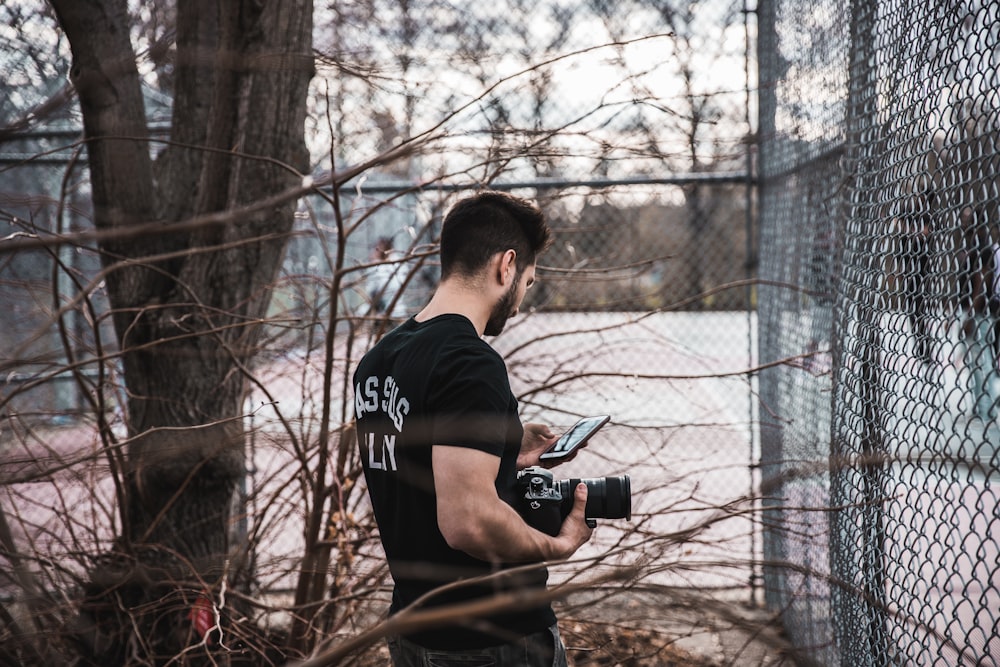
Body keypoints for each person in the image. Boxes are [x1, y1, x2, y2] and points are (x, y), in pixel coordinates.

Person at [352, 191, 593, 666]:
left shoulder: (380, 360)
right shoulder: (469, 361)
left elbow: (420, 459)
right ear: (506, 266)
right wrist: (556, 545)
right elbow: (469, 522)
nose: (521, 301)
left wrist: (504, 444)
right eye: (527, 280)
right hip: (490, 640)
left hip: (415, 630)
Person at [366, 236, 407, 319]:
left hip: (384, 312)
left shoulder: (377, 267)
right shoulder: (400, 263)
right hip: (397, 310)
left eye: (377, 249)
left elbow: (372, 290)